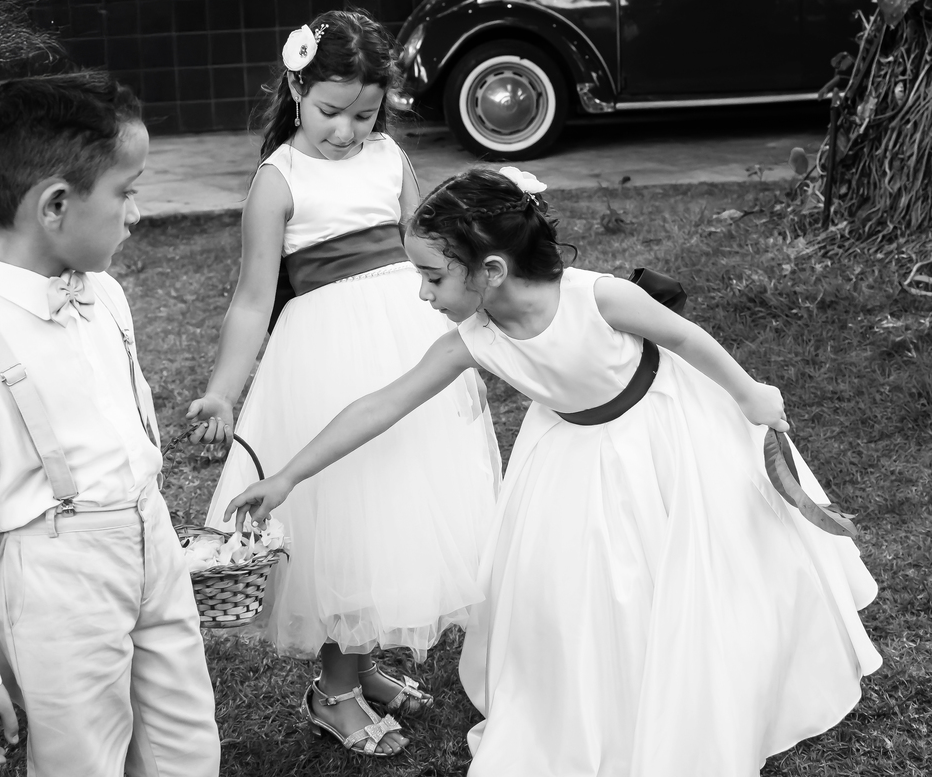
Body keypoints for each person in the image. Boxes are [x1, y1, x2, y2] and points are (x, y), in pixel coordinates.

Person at [226, 166, 882, 776]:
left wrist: (748, 393)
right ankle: (611, 688)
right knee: (593, 584)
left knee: (698, 565)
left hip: (666, 432)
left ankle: (713, 675)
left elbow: (685, 338)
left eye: (431, 277)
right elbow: (383, 403)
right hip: (574, 454)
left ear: (488, 271)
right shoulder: (472, 340)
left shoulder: (598, 298)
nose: (421, 294)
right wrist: (288, 476)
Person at [185, 10, 500, 757]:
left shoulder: (391, 157)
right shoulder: (279, 181)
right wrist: (225, 391)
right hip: (328, 362)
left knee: (399, 512)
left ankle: (362, 664)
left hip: (409, 347)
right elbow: (253, 300)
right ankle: (332, 691)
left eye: (364, 114)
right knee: (350, 522)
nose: (347, 131)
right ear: (296, 88)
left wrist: (465, 333)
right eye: (330, 112)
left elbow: (427, 247)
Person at [0, 73, 220, 777]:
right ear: (55, 205)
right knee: (82, 758)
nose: (136, 212)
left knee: (187, 745)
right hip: (58, 577)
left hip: (151, 541)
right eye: (125, 190)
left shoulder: (106, 294)